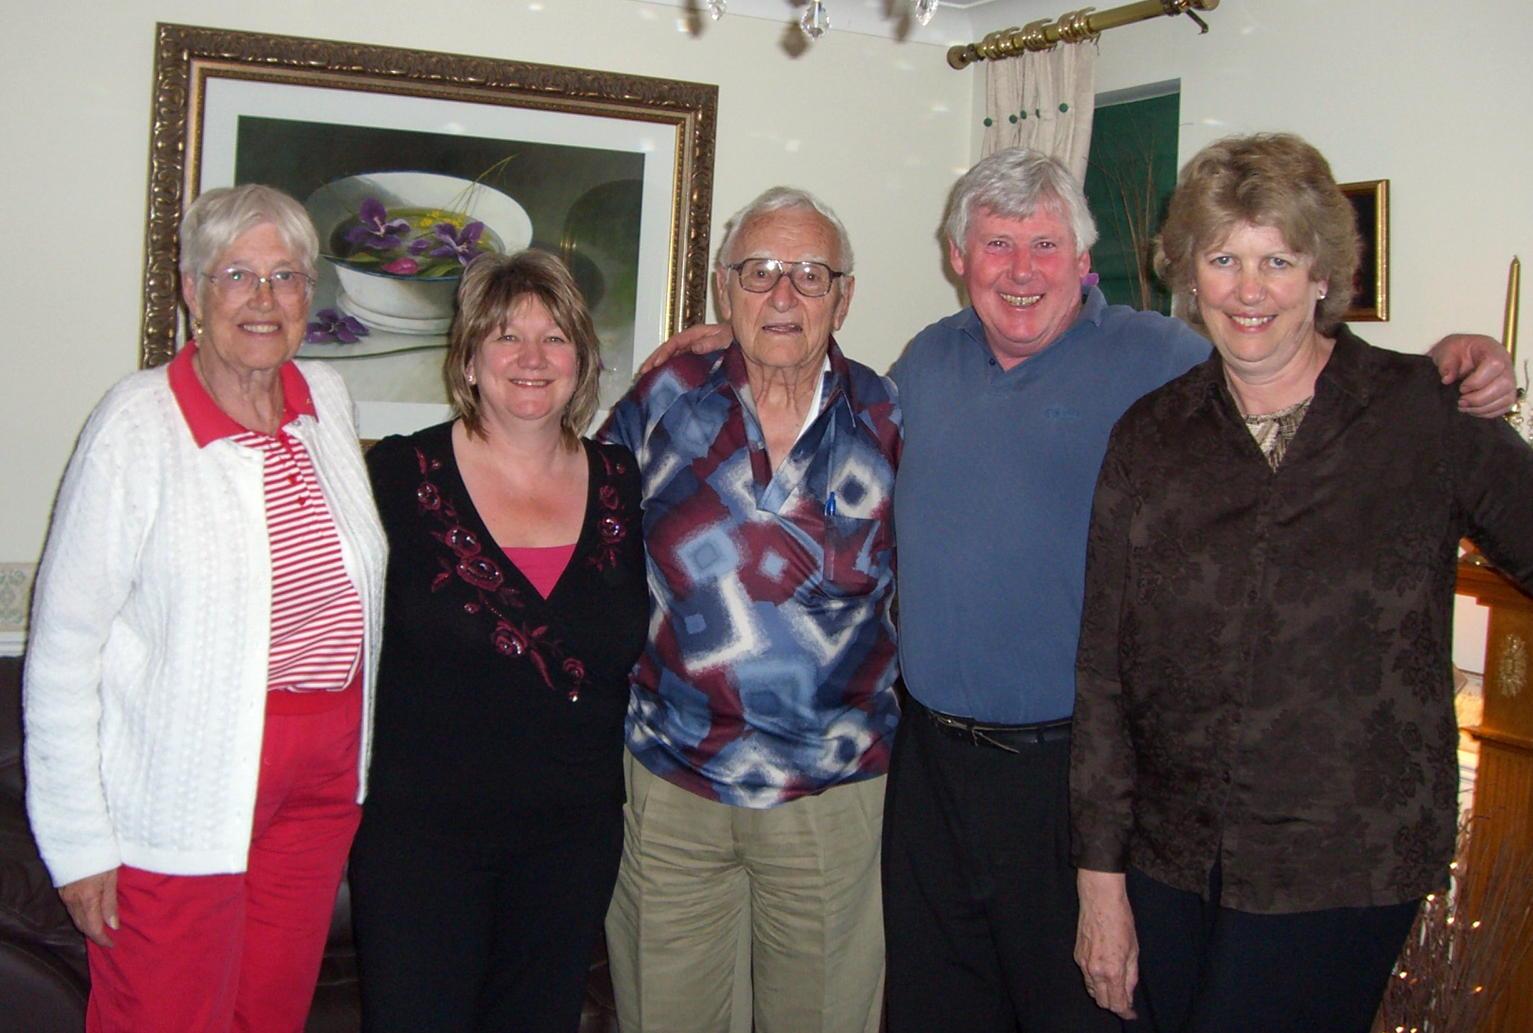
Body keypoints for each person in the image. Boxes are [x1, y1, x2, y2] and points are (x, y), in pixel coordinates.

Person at [646, 148, 1513, 1033]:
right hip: (930, 764)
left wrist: (1449, 361)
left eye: (1045, 243)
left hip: (1075, 774)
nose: (1020, 269)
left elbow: (1296, 367)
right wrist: (742, 332)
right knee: (935, 1005)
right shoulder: (921, 366)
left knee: (1077, 1008)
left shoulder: (1161, 358)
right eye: (995, 244)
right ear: (957, 259)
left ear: (1082, 259)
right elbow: (810, 389)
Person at [1069, 132, 1533, 1033]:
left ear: (1322, 272)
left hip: (1341, 862)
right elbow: (1103, 674)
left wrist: (1499, 397)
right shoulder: (1150, 437)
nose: (1249, 290)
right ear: (1190, 276)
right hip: (1170, 858)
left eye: (1277, 259)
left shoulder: (1420, 412)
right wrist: (1099, 880)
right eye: (1224, 258)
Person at [23, 183, 387, 1032]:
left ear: (311, 294)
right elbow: (64, 648)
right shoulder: (137, 423)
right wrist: (79, 845)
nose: (264, 301)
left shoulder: (325, 401)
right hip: (186, 784)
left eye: (287, 277)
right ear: (192, 290)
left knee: (270, 1014)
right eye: (237, 275)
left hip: (323, 781)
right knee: (163, 1016)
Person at [599, 186, 900, 1033]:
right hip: (672, 783)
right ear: (723, 288)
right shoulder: (661, 403)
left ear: (844, 295)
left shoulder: (890, 416)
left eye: (810, 275)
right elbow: (588, 547)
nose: (782, 295)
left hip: (830, 796)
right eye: (759, 271)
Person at [348, 249, 648, 1032]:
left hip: (570, 842)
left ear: (581, 360)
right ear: (469, 357)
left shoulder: (622, 478)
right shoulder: (399, 476)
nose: (530, 358)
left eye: (554, 338)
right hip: (424, 842)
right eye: (506, 335)